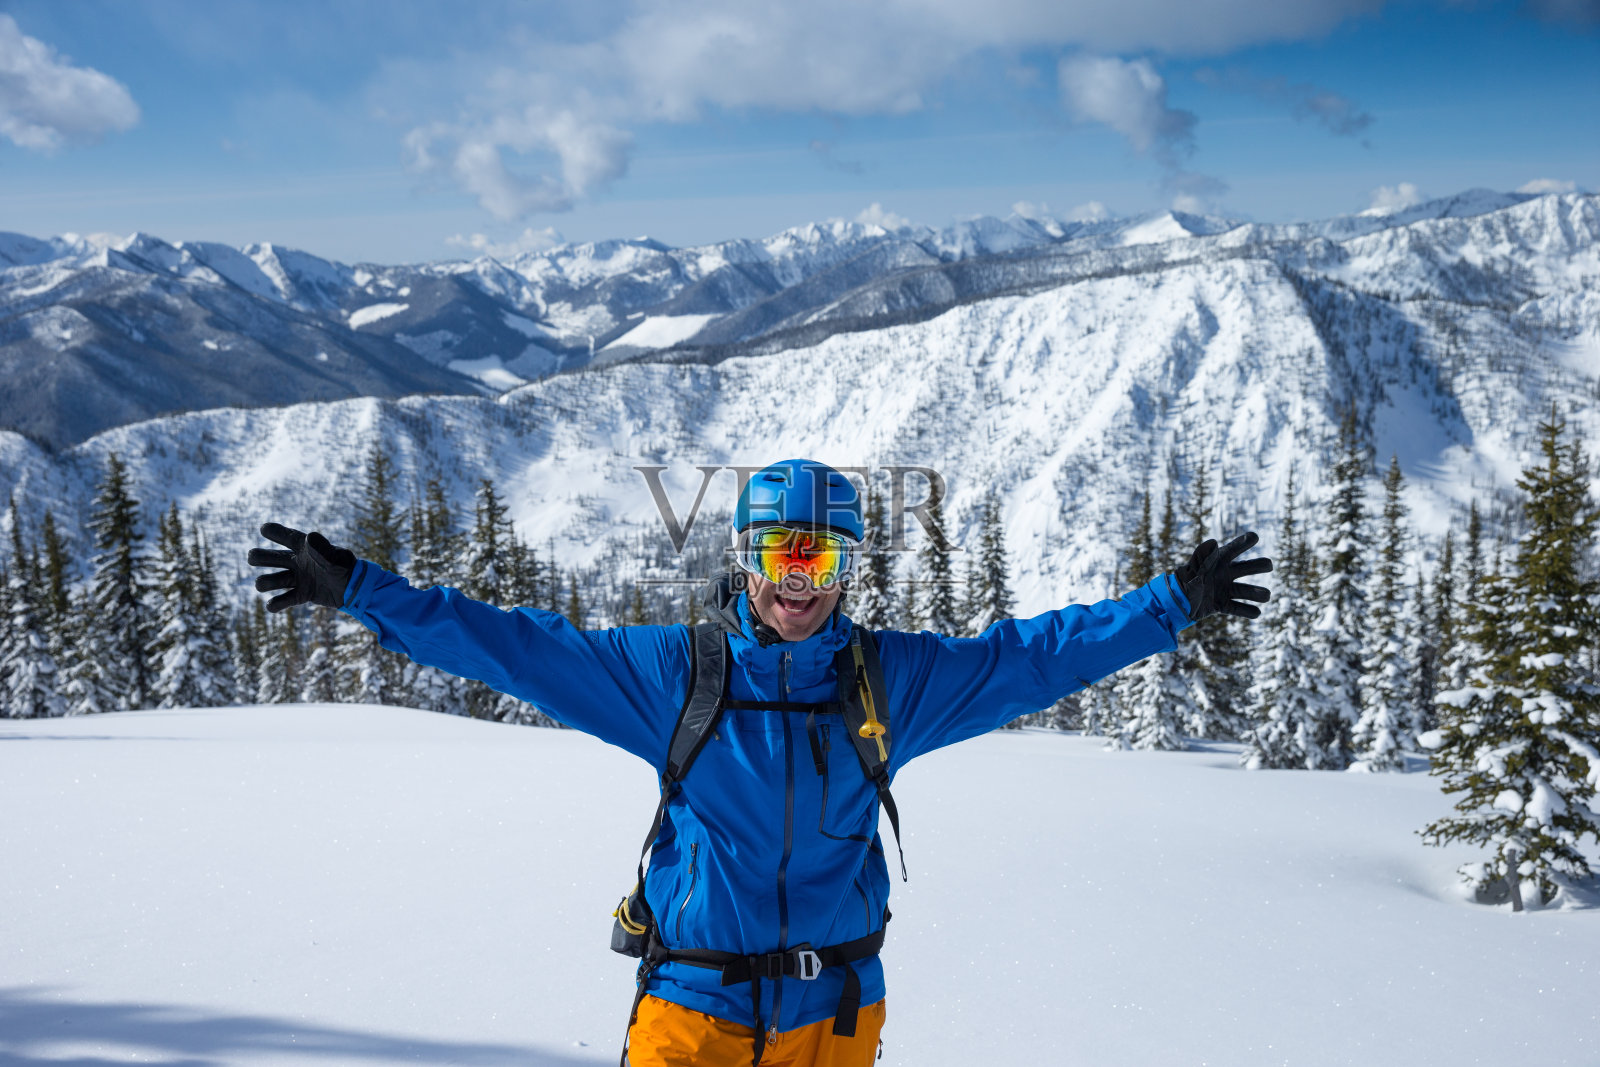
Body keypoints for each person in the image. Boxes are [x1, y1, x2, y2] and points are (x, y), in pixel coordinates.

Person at [247, 458, 1272, 1067]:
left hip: (831, 1019)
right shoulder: (674, 674)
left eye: (819, 558)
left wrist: (1167, 606)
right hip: (692, 1014)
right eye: (780, 551)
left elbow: (1032, 658)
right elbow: (516, 645)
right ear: (743, 555)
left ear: (846, 568)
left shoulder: (886, 681)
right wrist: (367, 591)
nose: (798, 581)